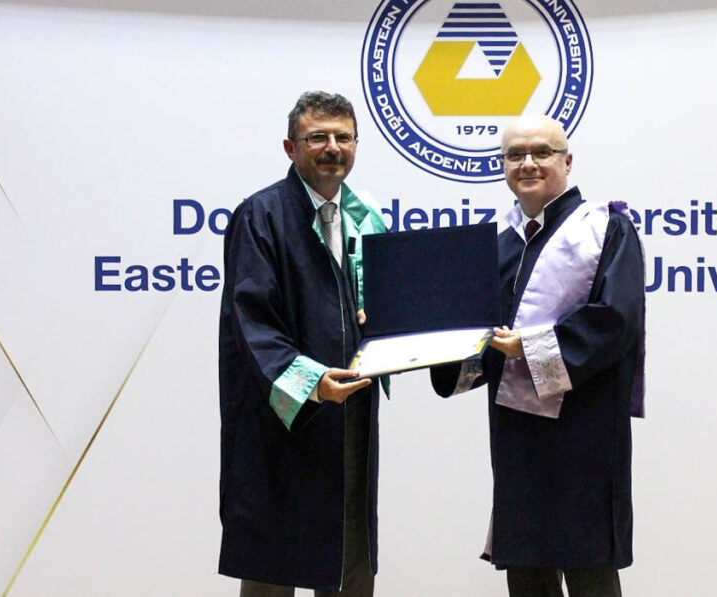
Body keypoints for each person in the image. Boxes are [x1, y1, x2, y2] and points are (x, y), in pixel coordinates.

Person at [431, 114, 646, 597]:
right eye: (515, 154)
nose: (527, 163)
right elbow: (473, 336)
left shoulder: (606, 230)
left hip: (585, 433)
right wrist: (420, 338)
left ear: (567, 161)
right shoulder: (497, 244)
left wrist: (529, 349)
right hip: (518, 439)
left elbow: (616, 320)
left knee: (589, 570)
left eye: (542, 152)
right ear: (502, 166)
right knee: (527, 570)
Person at [218, 91, 388, 597]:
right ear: (290, 148)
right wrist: (312, 382)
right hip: (285, 419)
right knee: (276, 561)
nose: (332, 147)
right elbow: (252, 321)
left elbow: (380, 310)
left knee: (349, 557)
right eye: (317, 137)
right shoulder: (261, 215)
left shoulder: (365, 218)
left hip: (351, 414)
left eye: (343, 137)